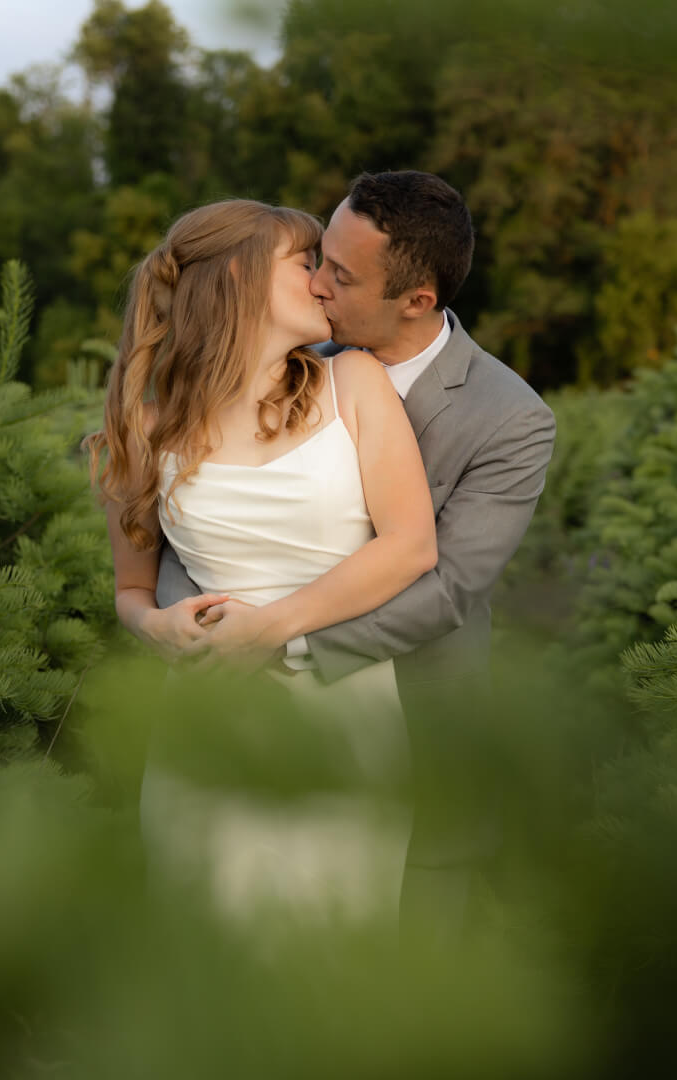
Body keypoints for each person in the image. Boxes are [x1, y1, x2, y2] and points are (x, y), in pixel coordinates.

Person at [159, 171, 558, 946]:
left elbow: (448, 588)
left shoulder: (510, 420)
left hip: (413, 726)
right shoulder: (293, 354)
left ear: (417, 298)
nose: (315, 281)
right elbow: (204, 516)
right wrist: (195, 621)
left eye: (340, 275)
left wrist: (279, 639)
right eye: (318, 258)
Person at [88, 197, 436, 925]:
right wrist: (156, 629)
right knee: (209, 935)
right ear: (239, 281)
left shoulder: (355, 385)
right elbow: (129, 588)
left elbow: (410, 544)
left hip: (345, 718)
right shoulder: (144, 429)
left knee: (339, 942)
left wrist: (268, 627)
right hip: (210, 720)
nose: (320, 283)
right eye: (305, 263)